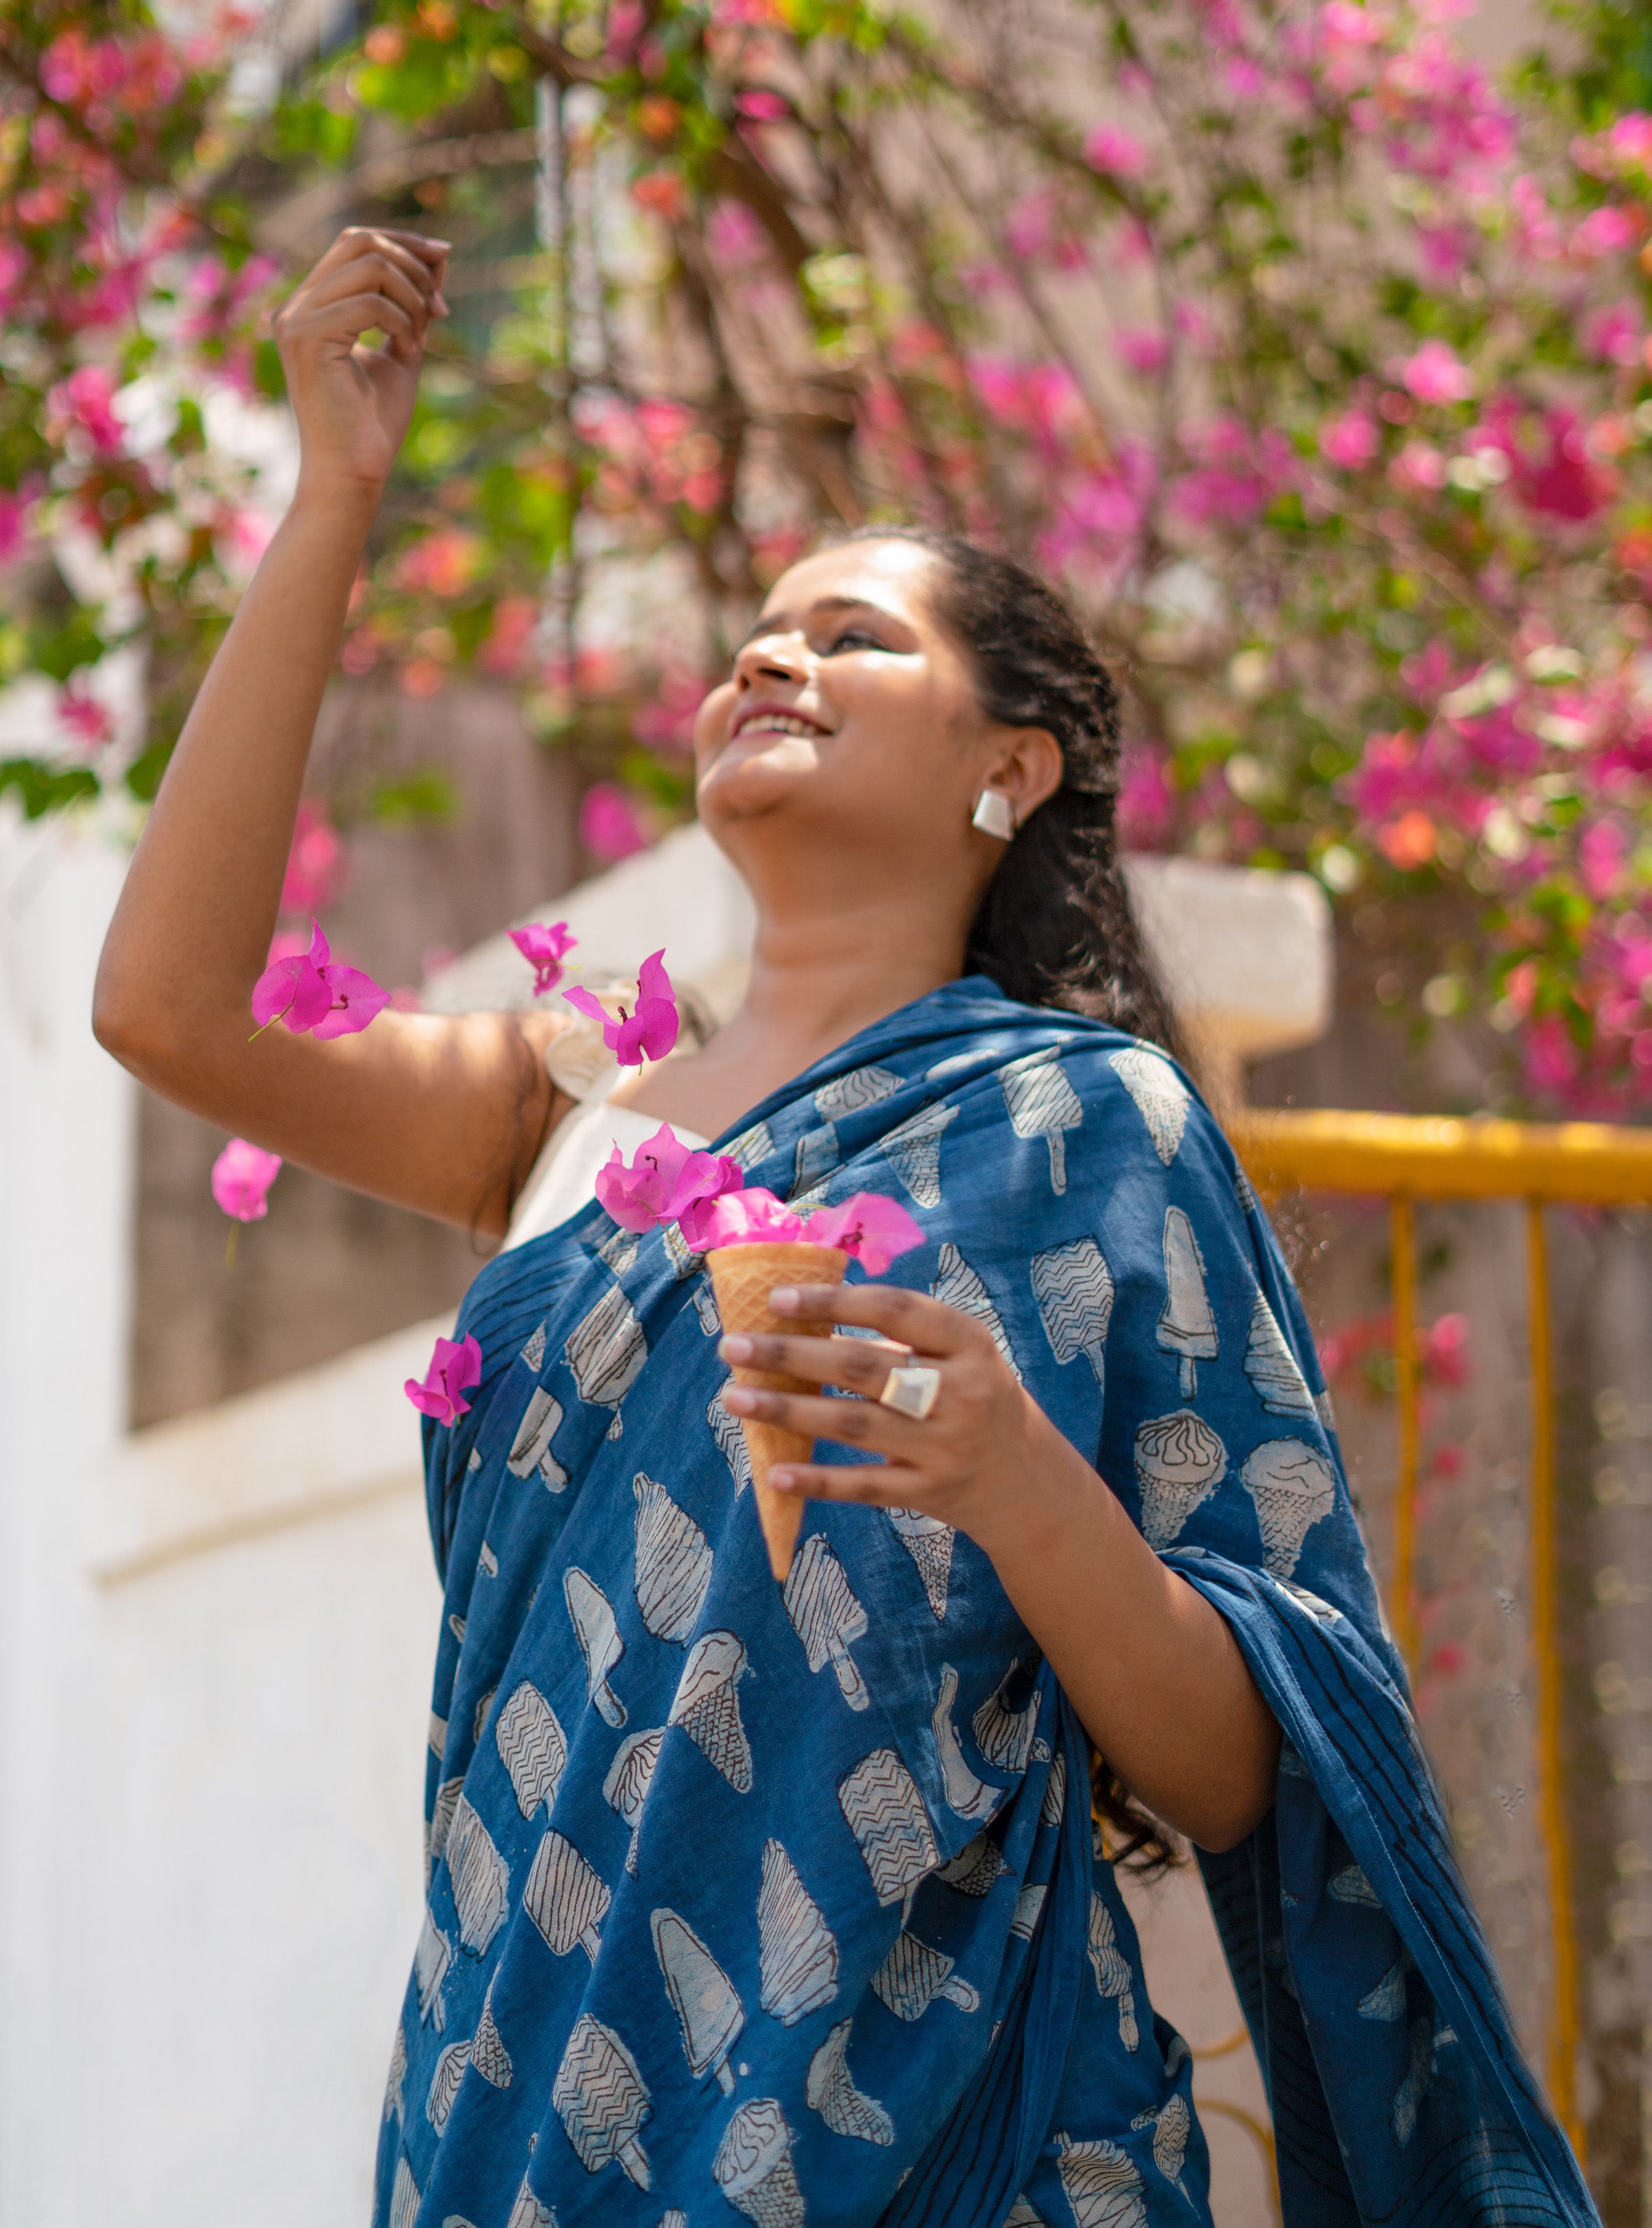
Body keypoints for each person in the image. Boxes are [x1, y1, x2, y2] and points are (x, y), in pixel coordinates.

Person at [94, 227, 1595, 2228]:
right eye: (758, 634)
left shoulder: (1088, 1131)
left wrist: (1010, 1476)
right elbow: (166, 1010)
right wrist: (337, 496)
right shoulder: (568, 1106)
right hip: (527, 2082)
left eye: (854, 636)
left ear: (1010, 770)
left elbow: (1254, 1772)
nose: (769, 655)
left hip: (936, 2118)